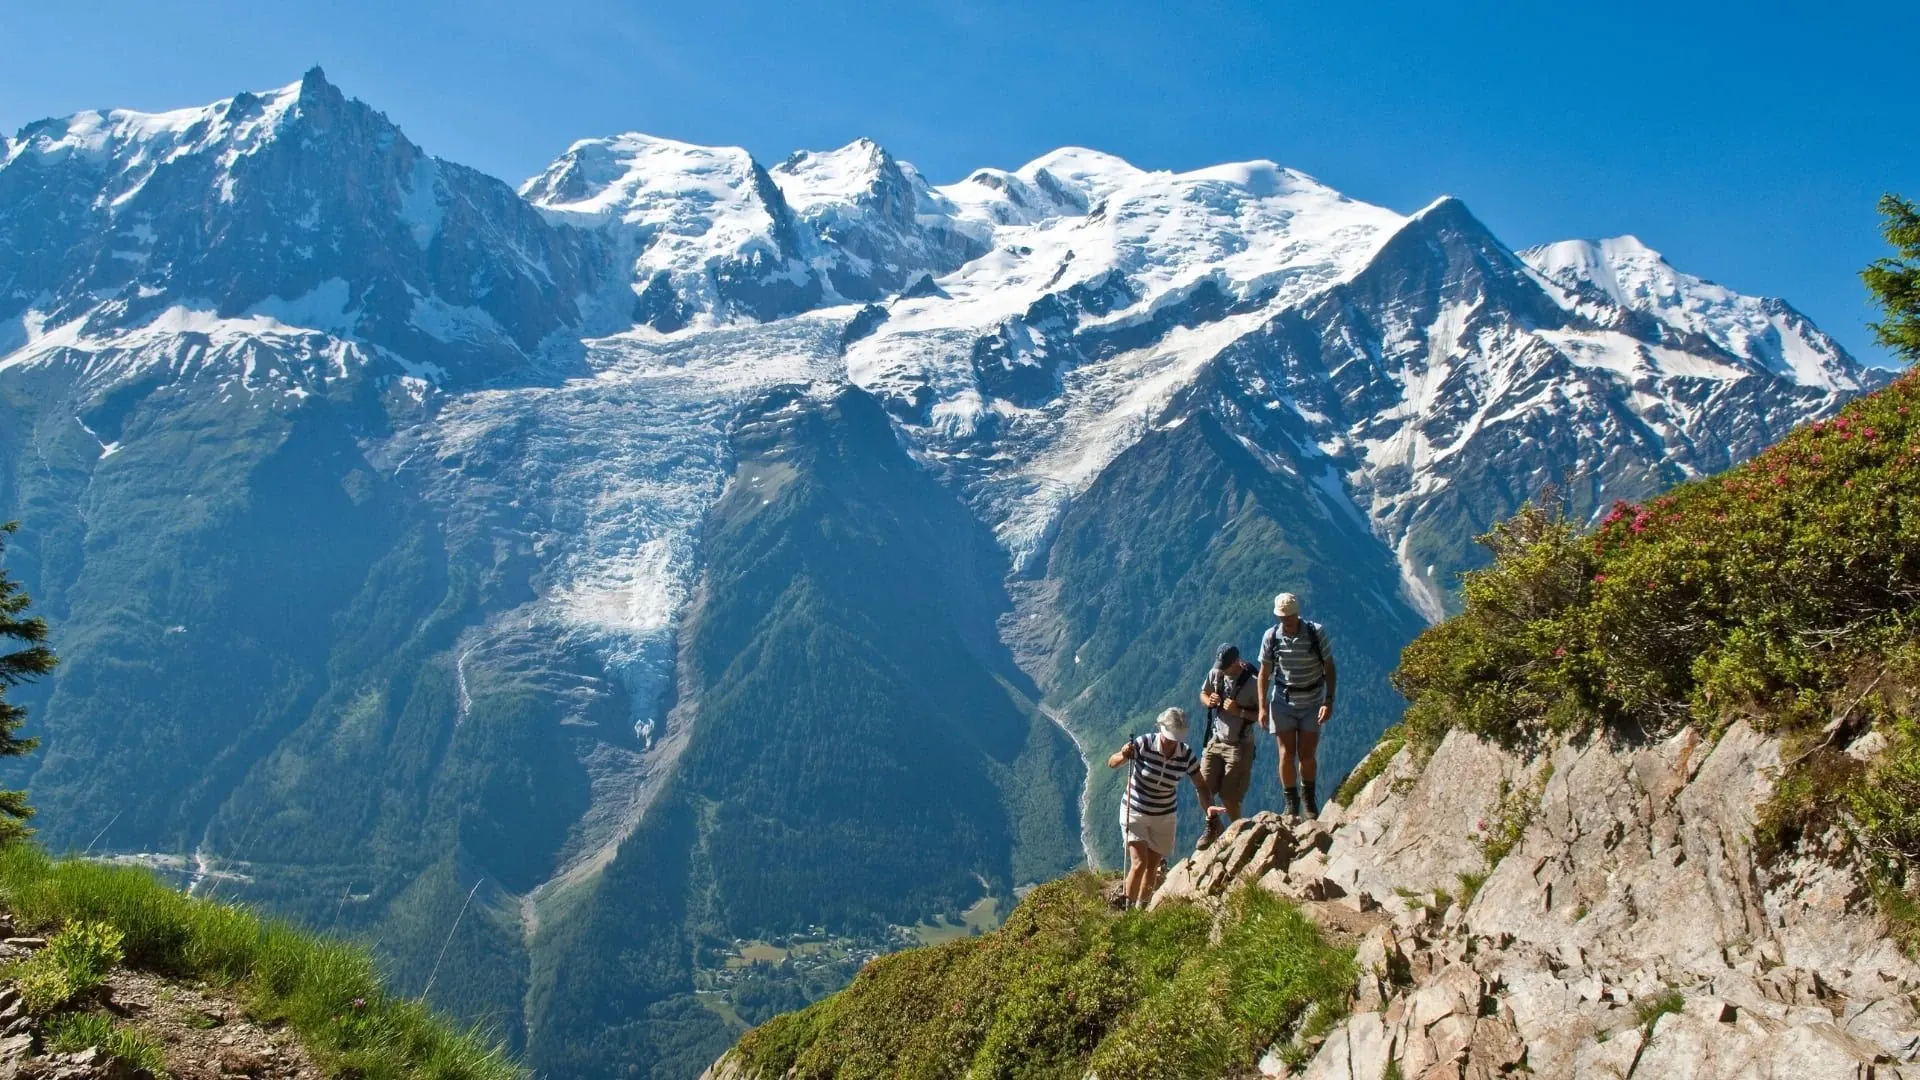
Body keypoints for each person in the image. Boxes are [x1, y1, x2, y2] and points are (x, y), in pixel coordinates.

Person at [1106, 707, 1222, 909]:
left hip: (1164, 816)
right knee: (1139, 863)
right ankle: (1126, 908)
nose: (1170, 742)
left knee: (1152, 866)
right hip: (1135, 810)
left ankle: (1141, 909)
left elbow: (1201, 786)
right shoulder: (1143, 743)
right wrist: (1123, 754)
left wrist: (1209, 809)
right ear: (1160, 728)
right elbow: (1112, 763)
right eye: (1169, 737)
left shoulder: (1186, 755)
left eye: (1175, 738)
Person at [1257, 592, 1337, 822]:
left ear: (1297, 613)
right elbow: (1264, 673)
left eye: (1289, 616)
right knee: (1285, 754)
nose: (1286, 621)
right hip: (1282, 702)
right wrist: (1262, 708)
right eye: (1282, 617)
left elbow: (1329, 667)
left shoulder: (1315, 632)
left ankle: (1309, 800)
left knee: (1307, 755)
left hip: (1312, 701)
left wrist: (1328, 700)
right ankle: (1291, 804)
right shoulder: (1271, 637)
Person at [1196, 643, 1259, 846]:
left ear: (1236, 662)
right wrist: (1210, 701)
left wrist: (1238, 711)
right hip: (1216, 739)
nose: (1221, 668)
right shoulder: (1216, 673)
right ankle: (1214, 825)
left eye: (1226, 665)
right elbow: (1203, 694)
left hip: (1239, 744)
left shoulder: (1253, 684)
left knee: (1230, 797)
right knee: (1203, 787)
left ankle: (1239, 833)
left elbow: (1262, 715)